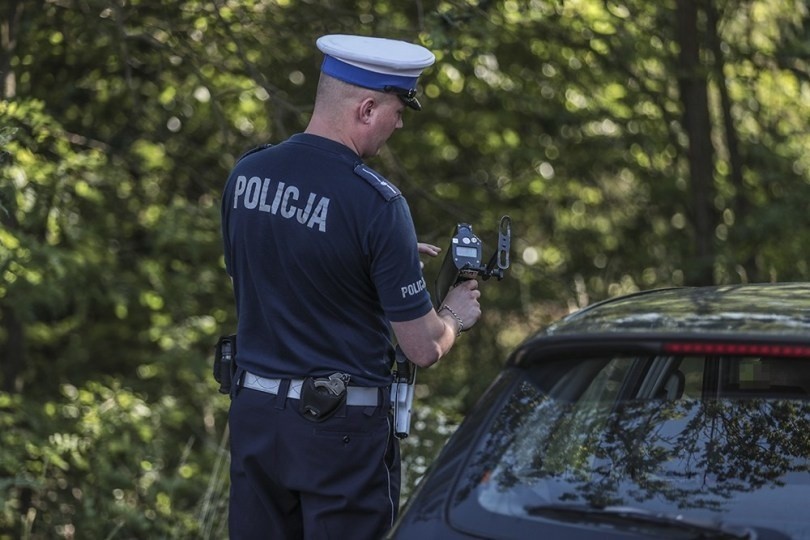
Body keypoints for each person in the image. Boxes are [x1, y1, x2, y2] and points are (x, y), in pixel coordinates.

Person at [220, 33, 482, 539]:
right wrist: (453, 315)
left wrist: (387, 265)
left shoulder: (247, 175)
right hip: (336, 436)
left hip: (254, 418)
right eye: (397, 110)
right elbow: (422, 347)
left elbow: (267, 273)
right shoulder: (377, 205)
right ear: (366, 108)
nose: (400, 122)